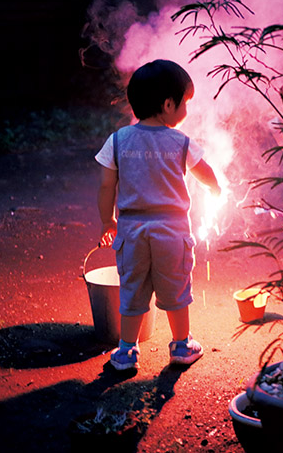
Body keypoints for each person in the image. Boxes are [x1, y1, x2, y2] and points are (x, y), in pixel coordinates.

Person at [95, 59, 221, 371]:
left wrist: (108, 221)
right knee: (176, 289)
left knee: (133, 290)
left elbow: (106, 186)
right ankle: (181, 346)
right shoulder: (180, 142)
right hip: (172, 232)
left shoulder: (117, 141)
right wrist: (215, 188)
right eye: (184, 103)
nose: (186, 110)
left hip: (132, 231)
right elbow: (204, 172)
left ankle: (126, 351)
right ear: (167, 105)